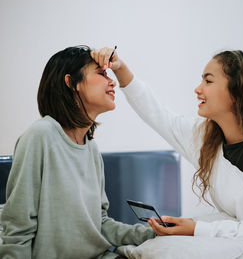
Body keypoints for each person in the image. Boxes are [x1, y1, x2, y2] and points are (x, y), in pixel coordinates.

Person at [91, 47, 243, 242]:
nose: (198, 89)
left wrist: (197, 229)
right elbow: (157, 114)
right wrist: (119, 68)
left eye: (208, 81)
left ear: (238, 92)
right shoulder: (206, 138)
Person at [0, 46, 155, 258]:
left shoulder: (91, 147)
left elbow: (99, 224)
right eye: (101, 73)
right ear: (71, 82)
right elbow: (18, 228)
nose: (112, 82)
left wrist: (153, 234)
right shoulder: (41, 136)